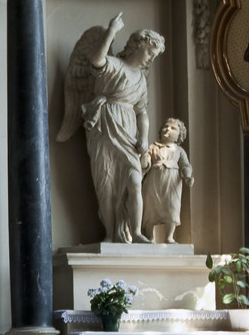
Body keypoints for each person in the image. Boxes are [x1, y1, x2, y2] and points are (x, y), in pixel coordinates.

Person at [58, 13, 166, 243]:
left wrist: (144, 139)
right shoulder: (114, 65)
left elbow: (142, 111)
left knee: (135, 181)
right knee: (106, 185)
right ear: (138, 46)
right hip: (104, 126)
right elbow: (97, 61)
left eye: (154, 56)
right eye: (150, 52)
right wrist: (111, 32)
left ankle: (135, 232)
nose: (150, 59)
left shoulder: (140, 79)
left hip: (128, 130)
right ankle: (109, 234)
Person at [142, 118, 193, 243]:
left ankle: (169, 237)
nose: (168, 129)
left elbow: (185, 165)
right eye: (166, 126)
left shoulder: (179, 150)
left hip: (172, 181)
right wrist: (144, 158)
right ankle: (149, 236)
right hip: (153, 181)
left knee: (172, 207)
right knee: (150, 208)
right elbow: (145, 163)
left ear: (179, 136)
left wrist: (187, 176)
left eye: (173, 128)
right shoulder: (153, 147)